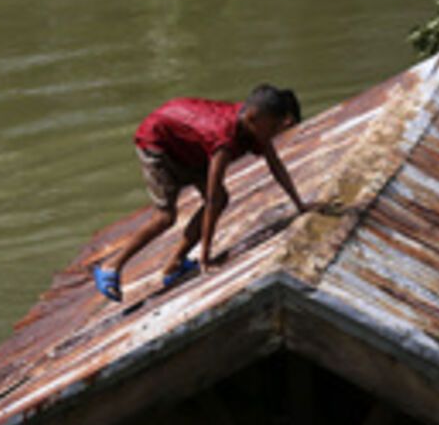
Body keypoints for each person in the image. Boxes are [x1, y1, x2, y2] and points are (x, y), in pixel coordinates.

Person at [92, 85, 309, 302]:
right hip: (158, 143)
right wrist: (206, 258)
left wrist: (300, 205)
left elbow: (276, 166)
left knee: (222, 199)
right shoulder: (224, 140)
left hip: (188, 146)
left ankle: (175, 264)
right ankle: (111, 266)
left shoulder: (252, 127)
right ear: (253, 117)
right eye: (272, 128)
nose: (273, 135)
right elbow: (212, 200)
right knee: (165, 217)